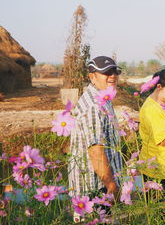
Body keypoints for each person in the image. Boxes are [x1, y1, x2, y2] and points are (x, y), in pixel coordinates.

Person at [68, 56, 122, 221]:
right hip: (94, 190)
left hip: (100, 184)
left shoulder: (103, 97)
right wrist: (112, 186)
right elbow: (96, 152)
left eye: (114, 71)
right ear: (92, 76)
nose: (112, 76)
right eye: (106, 72)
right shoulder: (94, 106)